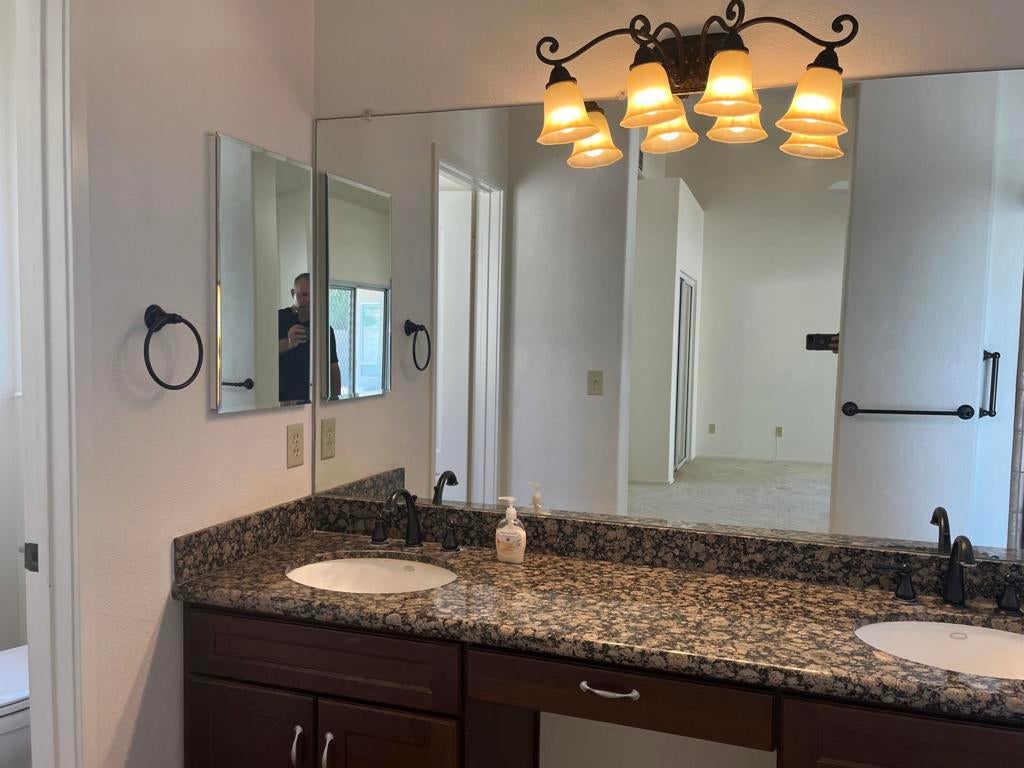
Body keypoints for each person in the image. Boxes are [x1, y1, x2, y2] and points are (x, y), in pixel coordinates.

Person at [278, 273, 341, 402]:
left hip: (314, 401)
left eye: (308, 295)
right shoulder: (278, 319)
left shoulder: (323, 329)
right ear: (292, 293)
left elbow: (333, 367)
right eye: (300, 294)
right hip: (280, 400)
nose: (304, 300)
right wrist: (288, 343)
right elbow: (263, 355)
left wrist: (335, 400)